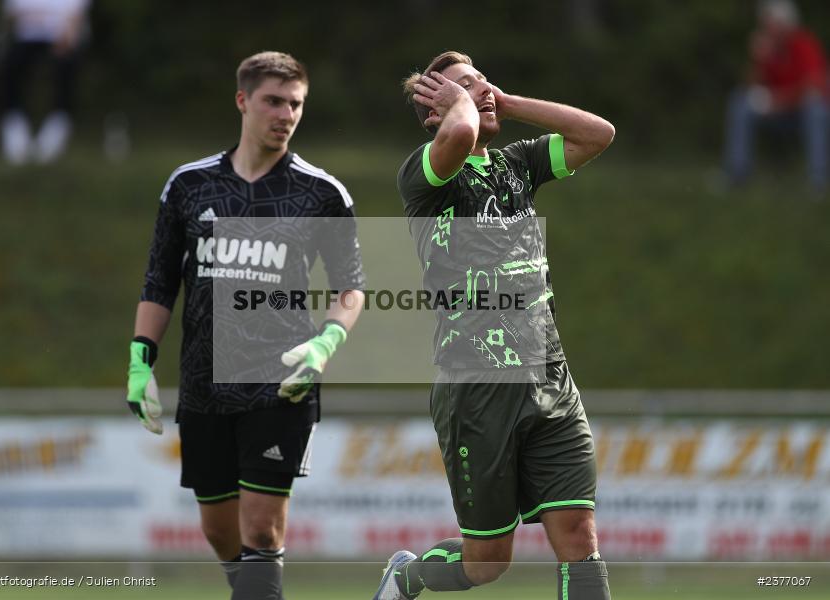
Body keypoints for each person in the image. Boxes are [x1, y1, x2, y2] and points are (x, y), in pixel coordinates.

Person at [125, 51, 365, 600]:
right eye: (273, 101)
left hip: (279, 385)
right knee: (220, 531)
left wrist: (323, 345)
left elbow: (351, 287)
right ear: (243, 101)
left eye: (296, 104)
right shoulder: (188, 186)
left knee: (261, 529)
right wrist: (141, 359)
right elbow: (160, 282)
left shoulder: (322, 194)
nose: (286, 114)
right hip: (204, 385)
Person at [375, 51, 614, 600]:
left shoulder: (517, 163)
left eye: (483, 79)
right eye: (464, 85)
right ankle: (406, 577)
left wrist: (503, 102)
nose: (480, 89)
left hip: (550, 377)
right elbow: (458, 133)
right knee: (488, 562)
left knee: (579, 534)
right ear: (433, 113)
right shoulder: (426, 172)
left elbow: (597, 134)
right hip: (477, 386)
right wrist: (462, 104)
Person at [723, 0, 828, 193]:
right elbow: (750, 86)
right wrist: (757, 59)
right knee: (740, 101)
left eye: (768, 24)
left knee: (815, 108)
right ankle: (737, 174)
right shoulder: (769, 51)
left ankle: (818, 180)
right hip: (779, 114)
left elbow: (813, 86)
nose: (764, 29)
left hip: (801, 113)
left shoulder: (803, 44)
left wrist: (779, 102)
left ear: (784, 24)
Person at [0, 0, 90, 164]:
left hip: (61, 37)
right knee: (11, 65)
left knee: (65, 64)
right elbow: (11, 15)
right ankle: (14, 124)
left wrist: (68, 33)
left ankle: (59, 122)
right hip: (25, 38)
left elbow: (76, 14)